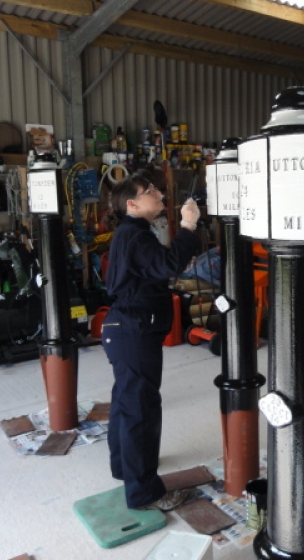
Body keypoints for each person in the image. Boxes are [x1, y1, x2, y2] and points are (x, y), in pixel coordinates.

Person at [102, 172, 200, 511]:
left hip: (126, 328)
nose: (159, 194)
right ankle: (145, 492)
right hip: (132, 329)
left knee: (127, 403)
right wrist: (188, 227)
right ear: (132, 204)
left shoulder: (134, 233)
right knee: (140, 410)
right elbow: (170, 264)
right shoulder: (135, 235)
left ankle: (123, 469)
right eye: (150, 191)